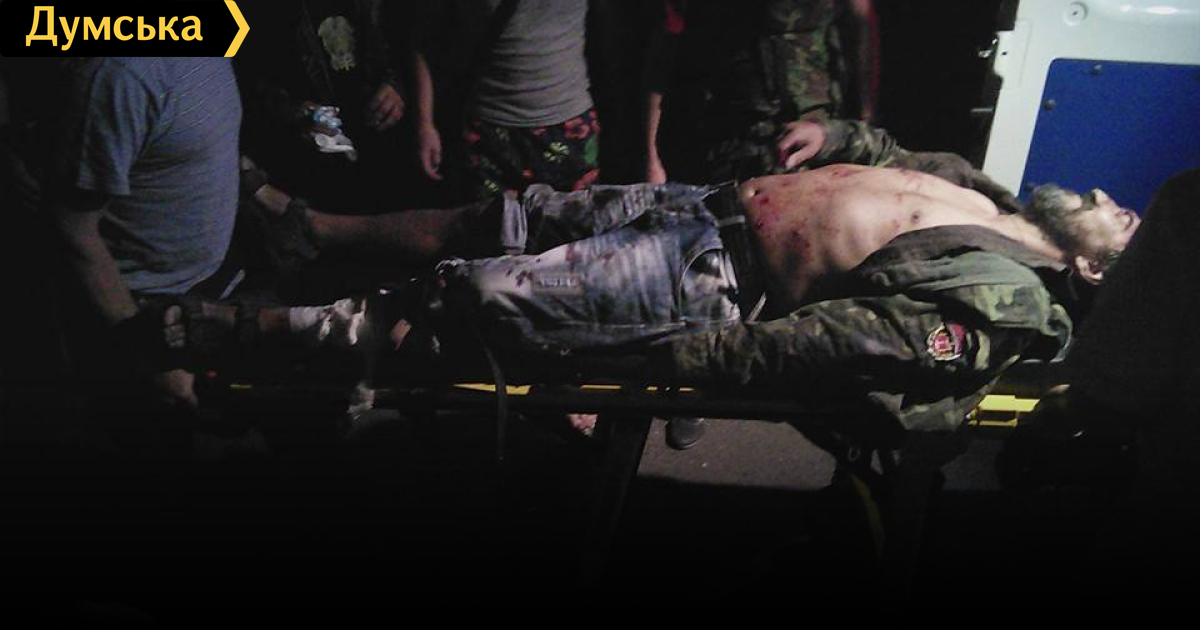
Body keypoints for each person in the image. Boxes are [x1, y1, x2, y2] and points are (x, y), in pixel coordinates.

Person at [180, 119, 1137, 435]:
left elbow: (839, 343)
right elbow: (888, 152)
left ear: (1091, 267)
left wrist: (683, 360)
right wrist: (834, 135)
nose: (1109, 195)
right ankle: (311, 229)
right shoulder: (989, 194)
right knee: (497, 217)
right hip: (698, 204)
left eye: (1123, 221)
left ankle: (235, 333)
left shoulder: (1009, 295)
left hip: (707, 273)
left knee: (473, 295)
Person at [42, 57, 243, 443]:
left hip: (208, 289)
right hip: (142, 312)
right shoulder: (120, 76)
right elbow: (73, 230)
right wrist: (149, 356)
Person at [644, 0, 877, 186]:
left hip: (814, 140)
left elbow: (858, 27)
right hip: (727, 145)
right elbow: (667, 48)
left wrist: (859, 127)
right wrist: (652, 159)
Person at [411, 0, 601, 201]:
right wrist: (424, 125)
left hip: (569, 123)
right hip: (488, 130)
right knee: (489, 220)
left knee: (576, 219)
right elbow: (421, 38)